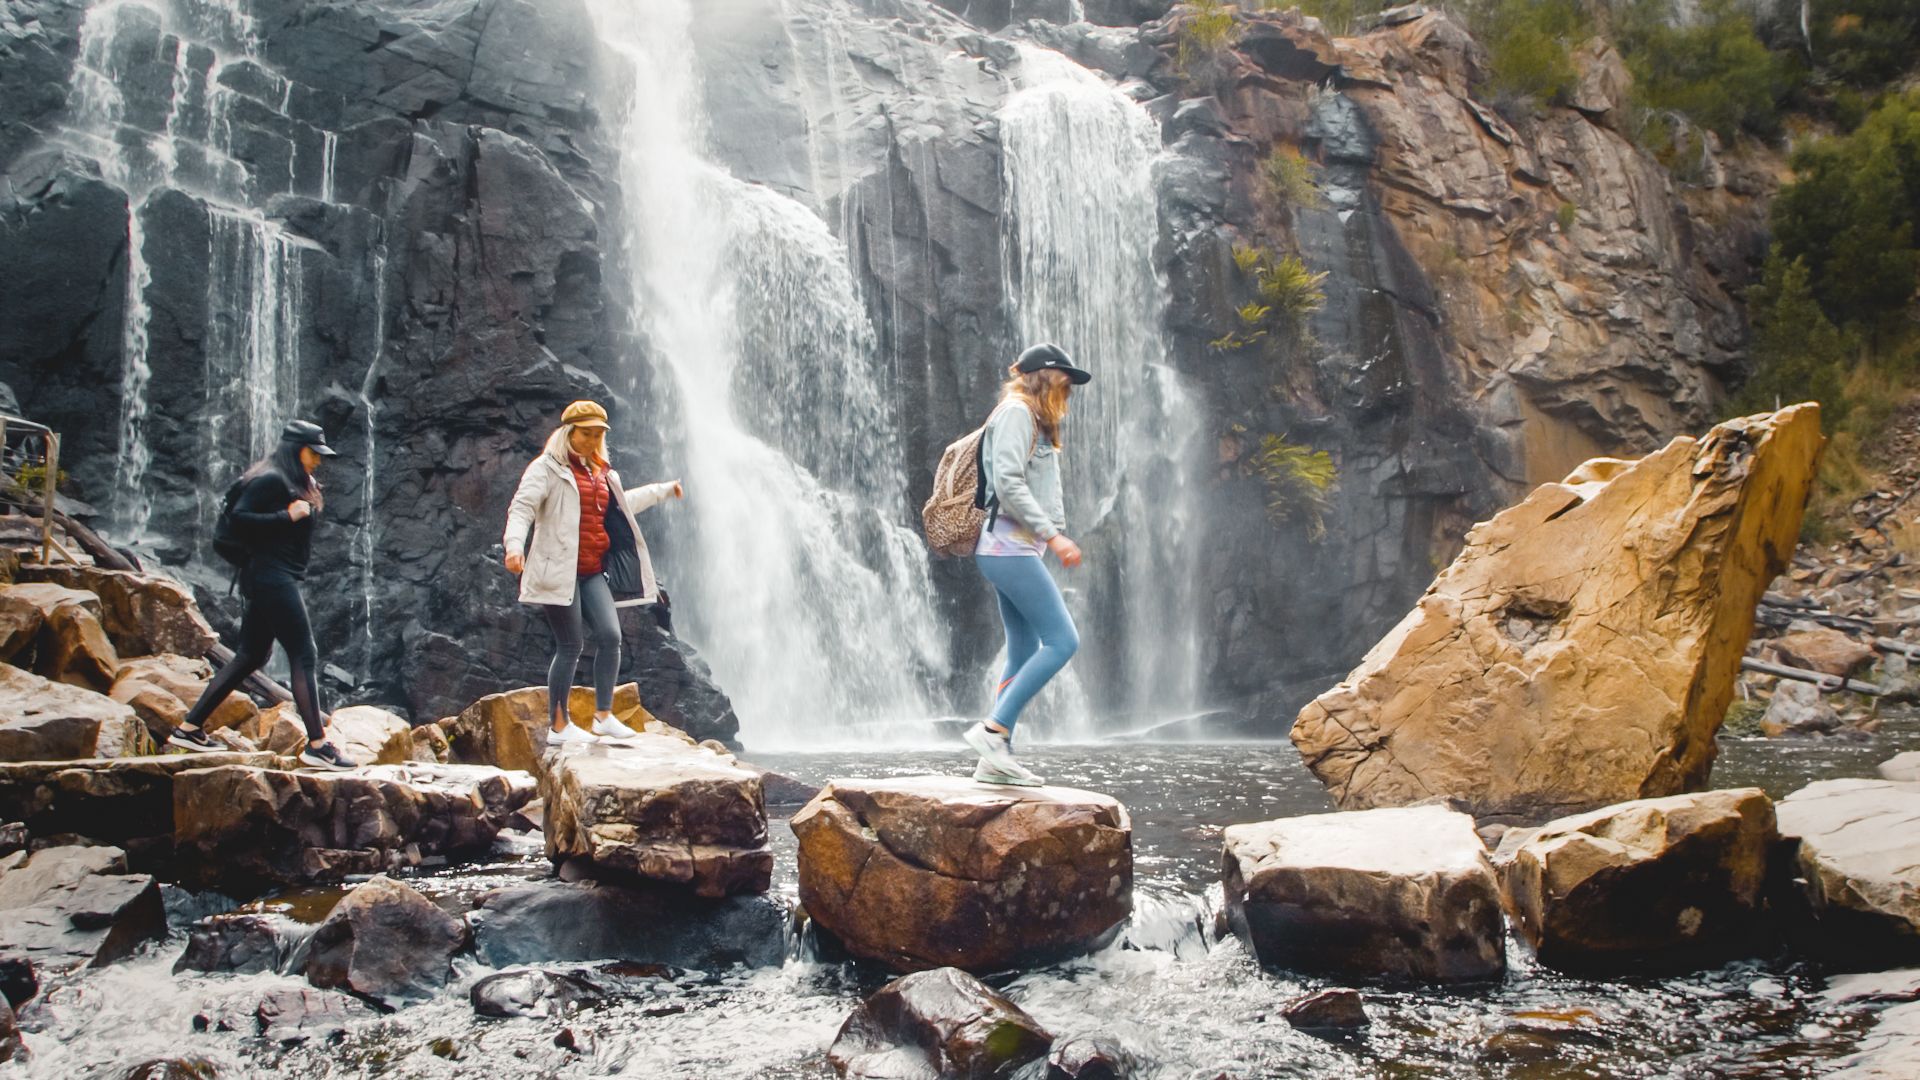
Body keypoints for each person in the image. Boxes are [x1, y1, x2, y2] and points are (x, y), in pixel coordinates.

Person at [169, 421, 359, 769]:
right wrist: (285, 515)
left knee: (250, 656)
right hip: (272, 577)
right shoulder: (271, 478)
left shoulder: (291, 479)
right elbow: (239, 518)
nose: (317, 460)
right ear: (295, 448)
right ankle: (317, 744)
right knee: (304, 654)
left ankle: (189, 727)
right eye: (312, 453)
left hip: (269, 576)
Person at [502, 400, 683, 745]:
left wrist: (662, 491)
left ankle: (603, 716)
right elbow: (522, 508)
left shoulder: (601, 473)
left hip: (592, 570)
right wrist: (514, 546)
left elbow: (623, 506)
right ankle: (559, 725)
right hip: (559, 571)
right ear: (569, 432)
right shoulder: (547, 469)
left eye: (598, 434)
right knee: (570, 644)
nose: (592, 440)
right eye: (587, 434)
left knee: (611, 636)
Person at [963, 343, 1091, 787]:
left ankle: (994, 760)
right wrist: (1054, 536)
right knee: (1062, 641)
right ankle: (993, 731)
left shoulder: (1028, 416)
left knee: (1021, 648)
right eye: (1064, 379)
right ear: (1044, 376)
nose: (1069, 387)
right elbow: (1009, 482)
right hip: (1008, 549)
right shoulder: (1017, 412)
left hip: (1012, 549)